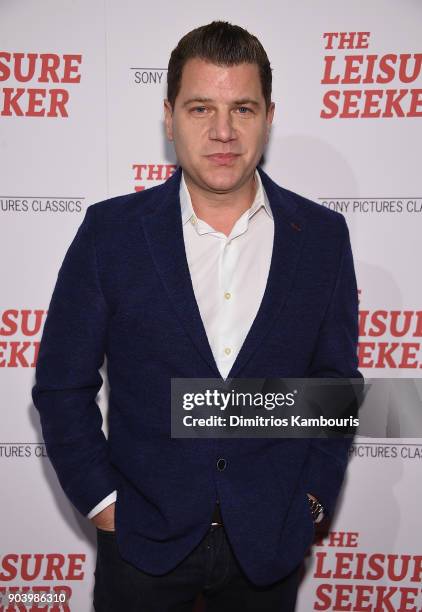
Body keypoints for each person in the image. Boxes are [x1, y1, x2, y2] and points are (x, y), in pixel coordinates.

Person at [32, 21, 361, 612]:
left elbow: (334, 384)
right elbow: (61, 386)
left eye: (243, 108)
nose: (223, 131)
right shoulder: (111, 234)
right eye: (200, 108)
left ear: (269, 115)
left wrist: (311, 498)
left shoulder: (321, 238)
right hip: (142, 548)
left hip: (268, 546)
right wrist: (104, 504)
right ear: (169, 116)